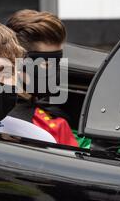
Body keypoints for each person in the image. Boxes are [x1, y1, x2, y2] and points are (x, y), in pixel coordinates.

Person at [6, 10, 86, 148]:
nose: (54, 72)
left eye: (57, 63)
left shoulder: (51, 113)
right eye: (47, 65)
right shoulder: (46, 129)